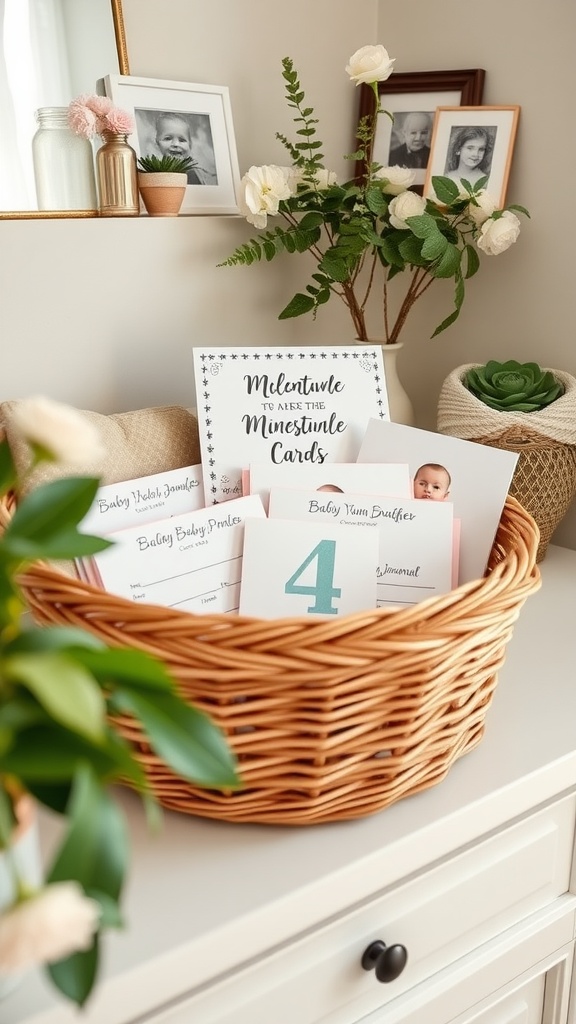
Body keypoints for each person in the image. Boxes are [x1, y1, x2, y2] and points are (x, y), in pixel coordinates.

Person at [154, 112, 202, 184]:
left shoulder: (191, 174)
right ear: (157, 143)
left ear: (190, 144)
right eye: (168, 138)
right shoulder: (156, 172)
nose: (176, 144)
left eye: (182, 140)